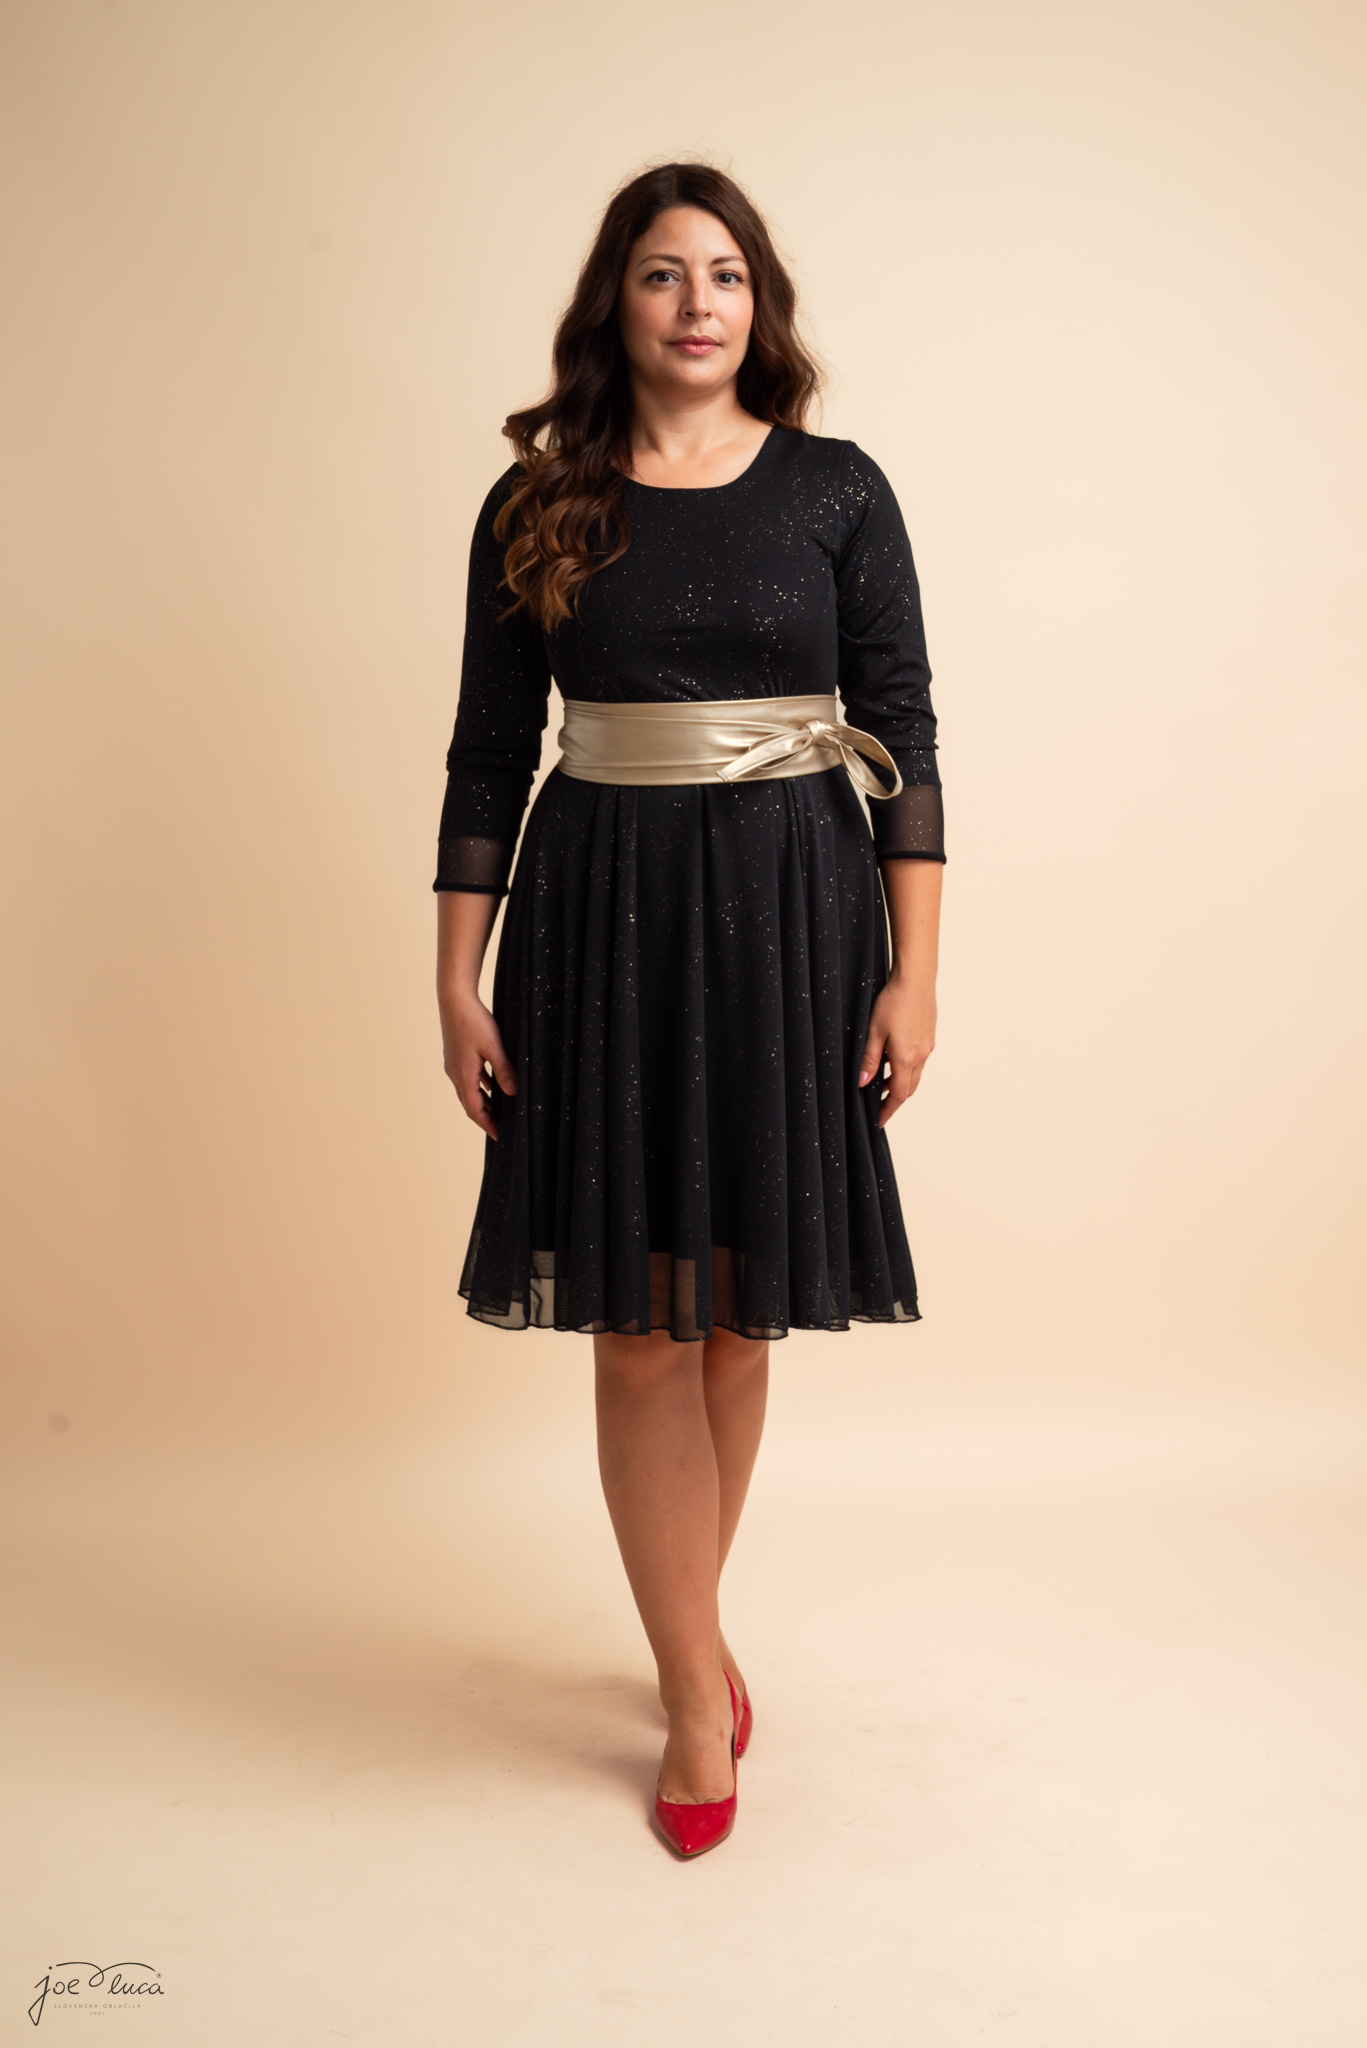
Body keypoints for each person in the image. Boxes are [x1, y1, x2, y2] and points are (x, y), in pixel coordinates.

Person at [434, 162, 944, 1857]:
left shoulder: (838, 492)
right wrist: (453, 979)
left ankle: (687, 1642)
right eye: (664, 273)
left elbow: (905, 734)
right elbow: (486, 756)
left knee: (734, 1316)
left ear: (759, 302)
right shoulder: (539, 505)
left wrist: (915, 968)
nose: (698, 302)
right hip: (603, 919)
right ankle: (691, 1691)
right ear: (618, 303)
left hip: (794, 919)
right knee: (638, 1326)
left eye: (725, 273)